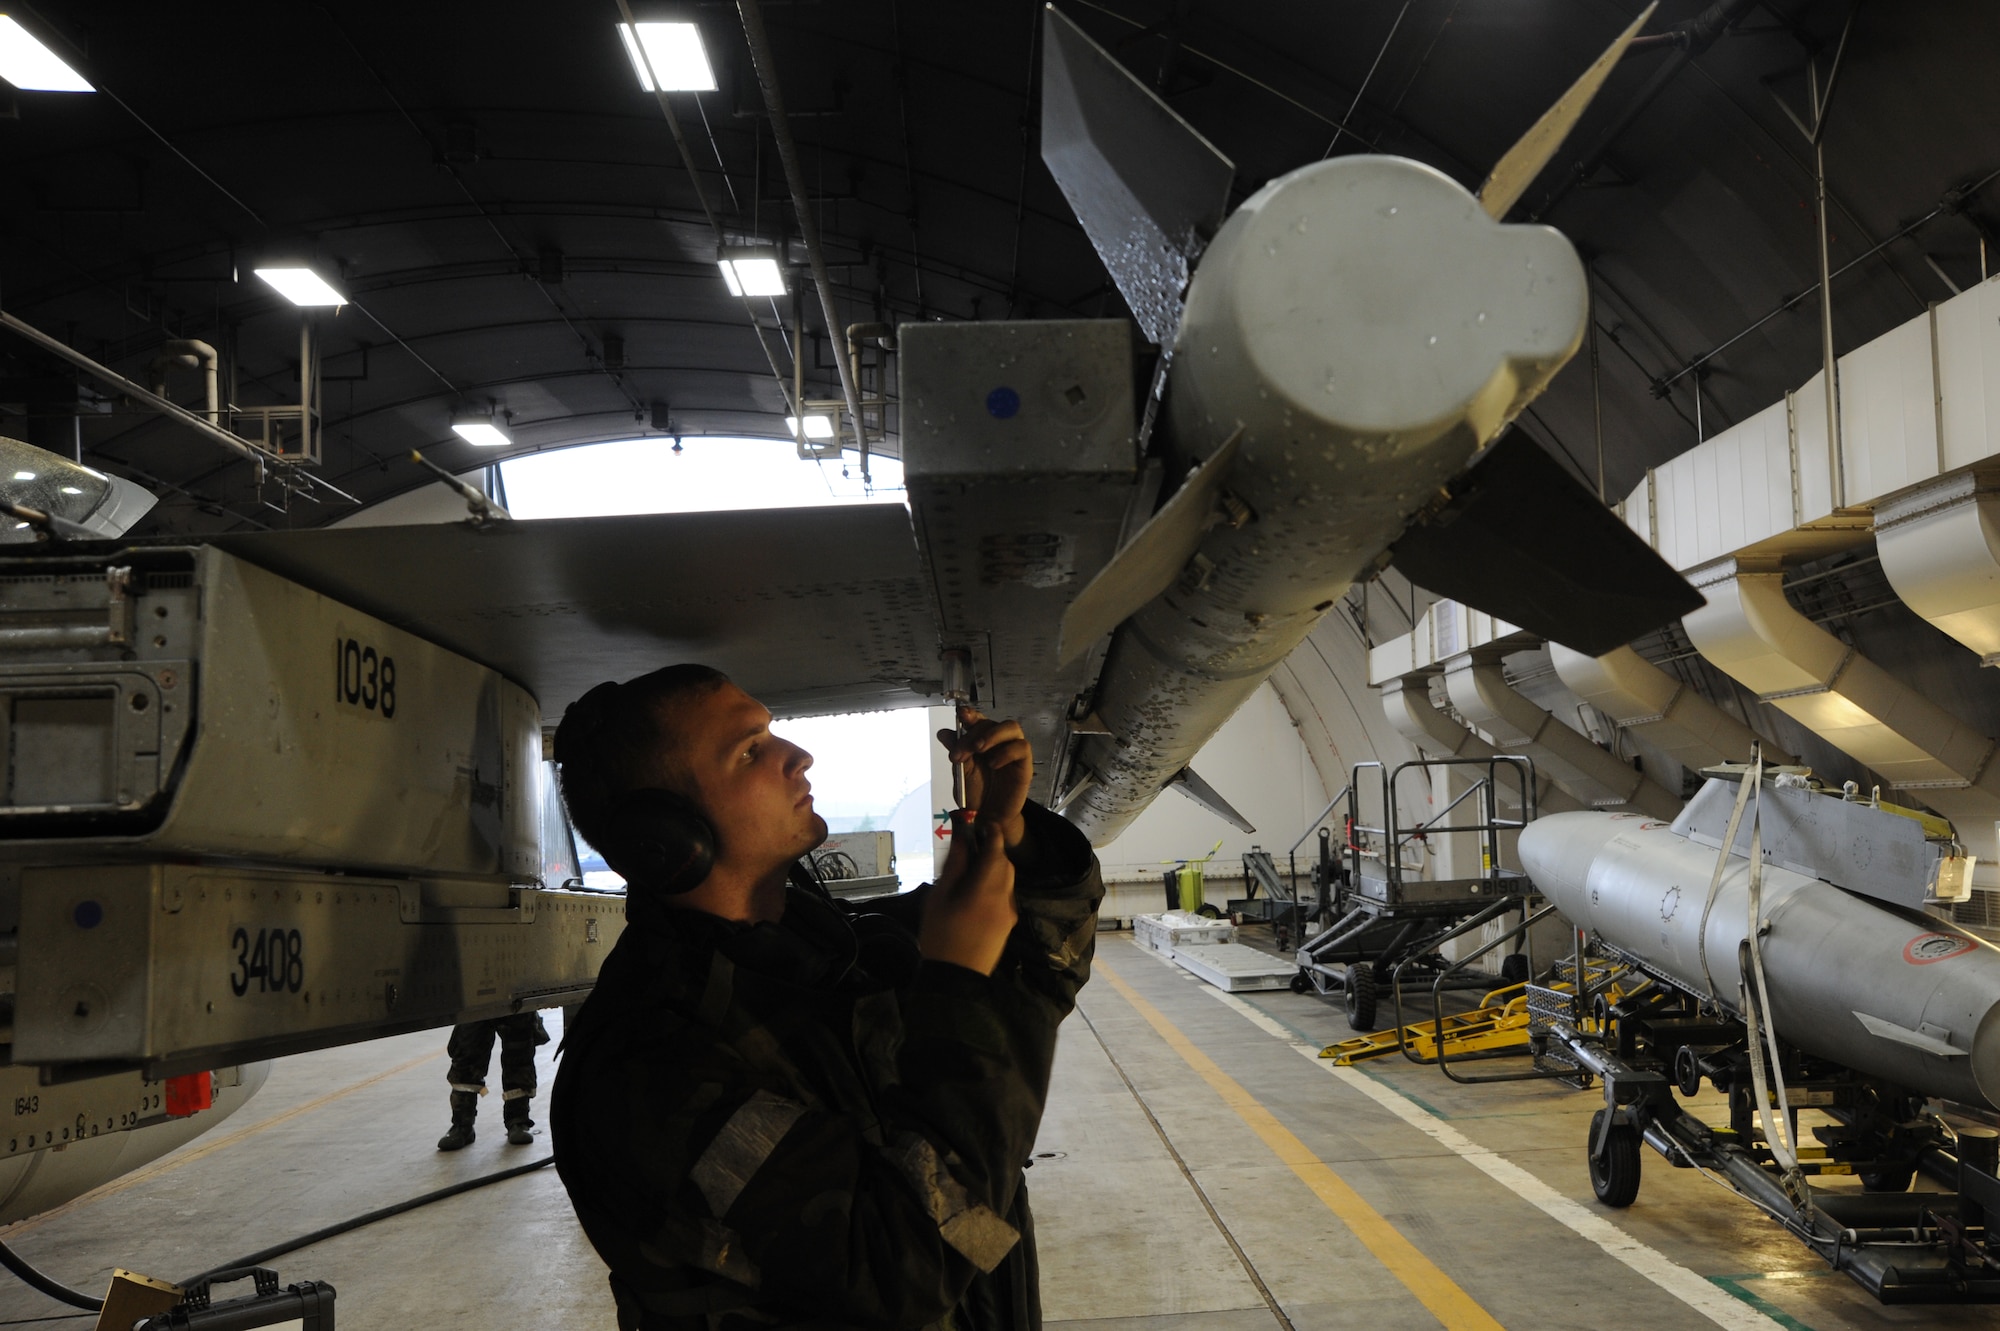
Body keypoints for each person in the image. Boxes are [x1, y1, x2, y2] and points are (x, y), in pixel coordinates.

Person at [549, 664, 1101, 1331]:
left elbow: (1041, 975)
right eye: (750, 750)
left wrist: (1011, 838)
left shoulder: (836, 951)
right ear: (665, 836)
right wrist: (957, 989)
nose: (798, 755)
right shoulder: (650, 1069)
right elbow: (906, 1267)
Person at [436, 1011, 551, 1150]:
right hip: (473, 999)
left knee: (519, 1053)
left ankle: (518, 1121)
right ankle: (462, 1125)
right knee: (467, 1052)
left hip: (513, 996)